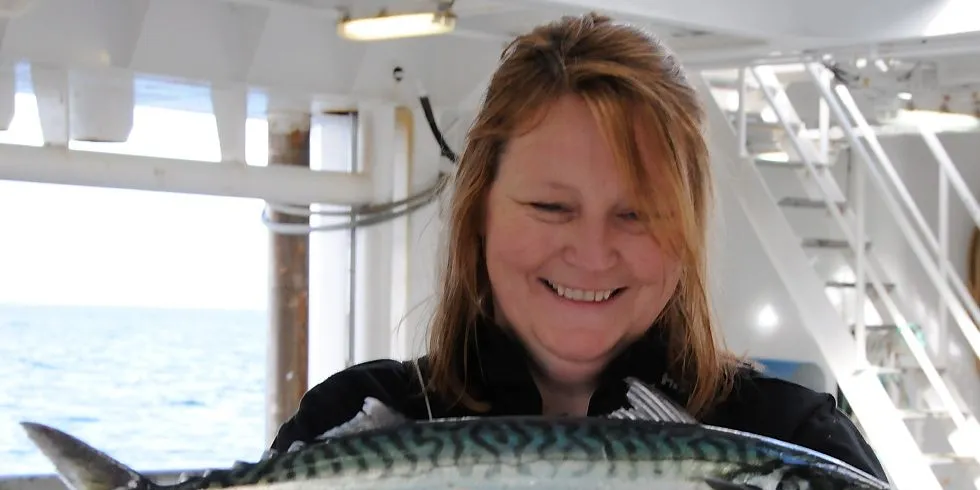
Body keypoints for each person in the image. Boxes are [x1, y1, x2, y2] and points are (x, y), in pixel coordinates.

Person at [269, 12, 888, 482]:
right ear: (480, 212)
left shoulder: (801, 449)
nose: (592, 253)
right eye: (551, 208)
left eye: (637, 214)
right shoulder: (349, 424)